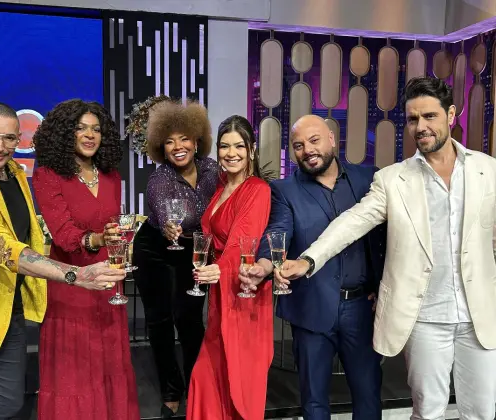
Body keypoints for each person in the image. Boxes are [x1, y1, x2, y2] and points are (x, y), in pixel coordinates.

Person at [277, 77, 496, 419]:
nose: (421, 127)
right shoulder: (392, 179)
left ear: (451, 115)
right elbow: (351, 223)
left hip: (479, 315)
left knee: (482, 412)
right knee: (428, 411)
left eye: (430, 116)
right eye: (413, 119)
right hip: (424, 318)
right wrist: (308, 260)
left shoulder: (488, 170)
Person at [0, 102, 125, 420]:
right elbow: (0, 246)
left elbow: (29, 235)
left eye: (9, 138)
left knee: (9, 406)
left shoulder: (13, 173)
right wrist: (74, 274)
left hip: (9, 310)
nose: (0, 146)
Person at [239, 114, 386, 420]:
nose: (307, 150)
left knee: (369, 397)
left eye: (314, 140)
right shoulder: (284, 190)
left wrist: (383, 286)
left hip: (361, 309)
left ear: (332, 138)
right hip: (310, 308)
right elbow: (278, 232)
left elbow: (386, 238)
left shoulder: (369, 179)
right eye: (298, 145)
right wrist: (264, 266)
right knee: (314, 403)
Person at [32, 99, 140, 419]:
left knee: (109, 363)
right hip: (71, 281)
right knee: (75, 367)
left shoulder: (111, 176)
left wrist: (114, 241)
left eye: (96, 129)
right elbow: (63, 235)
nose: (90, 135)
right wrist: (97, 239)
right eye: (81, 128)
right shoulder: (48, 175)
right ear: (65, 133)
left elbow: (113, 224)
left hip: (108, 281)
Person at [132, 100, 218, 418]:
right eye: (169, 141)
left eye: (184, 138)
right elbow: (162, 209)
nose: (178, 146)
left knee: (190, 319)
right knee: (160, 321)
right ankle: (171, 389)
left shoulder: (212, 170)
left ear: (197, 140)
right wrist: (170, 225)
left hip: (194, 251)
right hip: (155, 249)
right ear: (161, 147)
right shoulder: (160, 180)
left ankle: (197, 385)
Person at [186, 115, 273, 420]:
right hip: (221, 293)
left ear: (251, 149)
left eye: (239, 146)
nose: (231, 153)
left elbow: (242, 241)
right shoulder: (222, 185)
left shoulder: (257, 189)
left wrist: (220, 269)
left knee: (238, 379)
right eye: (224, 146)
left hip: (244, 292)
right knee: (209, 377)